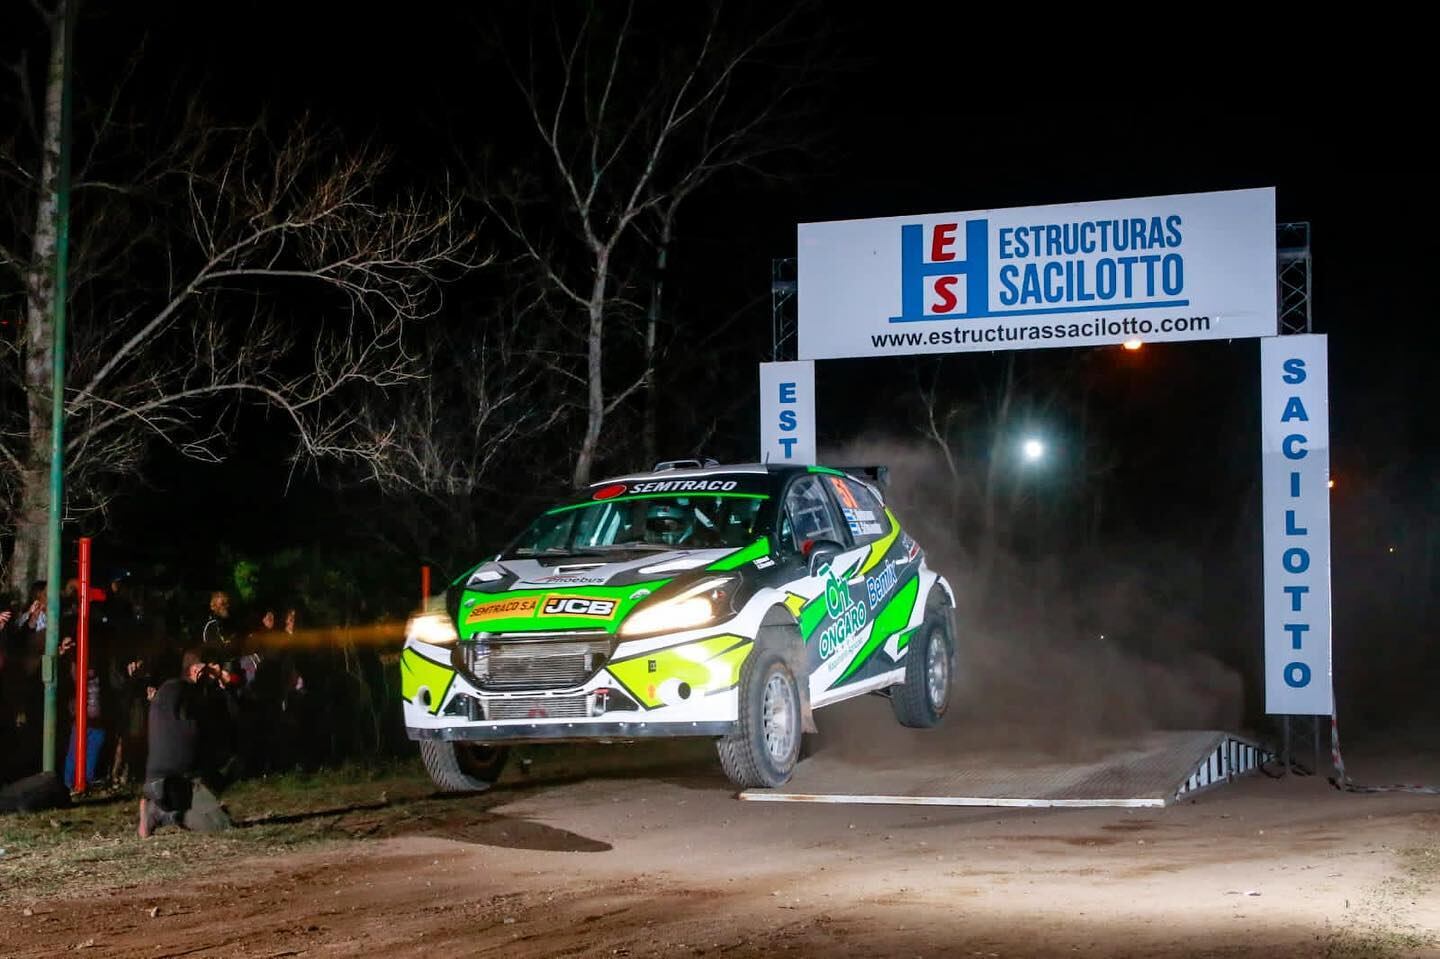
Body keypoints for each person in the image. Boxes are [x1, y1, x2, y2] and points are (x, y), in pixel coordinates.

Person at [138, 647, 237, 837]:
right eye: (209, 670)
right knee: (221, 826)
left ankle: (167, 808)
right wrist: (223, 681)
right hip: (179, 778)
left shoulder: (171, 691)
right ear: (196, 670)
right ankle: (162, 812)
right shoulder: (183, 690)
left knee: (218, 819)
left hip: (165, 780)